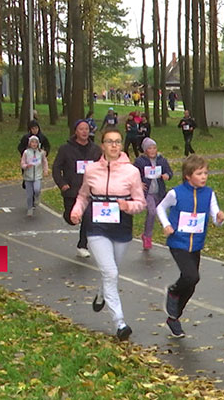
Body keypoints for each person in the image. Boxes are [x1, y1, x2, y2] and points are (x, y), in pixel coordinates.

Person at [70, 128, 146, 341]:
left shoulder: (132, 172)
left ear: (121, 145)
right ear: (102, 145)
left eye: (118, 142)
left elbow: (141, 202)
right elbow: (83, 196)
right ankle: (120, 322)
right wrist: (76, 212)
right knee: (110, 272)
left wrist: (127, 206)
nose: (114, 145)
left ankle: (102, 293)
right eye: (109, 142)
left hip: (121, 227)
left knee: (112, 271)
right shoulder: (92, 170)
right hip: (97, 228)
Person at [156, 154, 224, 338]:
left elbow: (215, 216)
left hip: (196, 244)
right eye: (199, 173)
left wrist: (219, 218)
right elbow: (160, 208)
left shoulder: (209, 194)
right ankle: (172, 292)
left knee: (192, 282)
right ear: (188, 175)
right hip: (178, 241)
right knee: (190, 275)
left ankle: (174, 317)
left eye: (206, 173)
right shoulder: (176, 193)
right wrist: (166, 225)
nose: (204, 176)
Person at [52, 120, 103, 258]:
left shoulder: (95, 150)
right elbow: (56, 167)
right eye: (81, 129)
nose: (85, 131)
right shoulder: (65, 149)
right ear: (76, 131)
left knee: (88, 217)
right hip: (71, 190)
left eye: (87, 129)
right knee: (71, 218)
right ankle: (68, 215)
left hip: (89, 191)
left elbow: (103, 167)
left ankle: (82, 245)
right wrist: (62, 184)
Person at [134, 138, 173, 250]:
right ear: (145, 150)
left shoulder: (161, 160)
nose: (152, 150)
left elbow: (169, 172)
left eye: (154, 148)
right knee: (152, 212)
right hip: (148, 193)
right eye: (149, 148)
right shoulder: (140, 161)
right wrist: (138, 183)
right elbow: (133, 174)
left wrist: (167, 175)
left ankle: (171, 233)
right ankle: (147, 236)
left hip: (159, 192)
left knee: (166, 212)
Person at [20, 135, 49, 217]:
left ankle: (37, 197)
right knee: (29, 195)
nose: (34, 144)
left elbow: (44, 162)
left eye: (36, 142)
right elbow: (22, 163)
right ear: (29, 143)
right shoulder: (26, 152)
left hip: (38, 175)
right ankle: (30, 209)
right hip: (28, 176)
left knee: (37, 189)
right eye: (32, 142)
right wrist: (26, 166)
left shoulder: (41, 153)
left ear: (38, 144)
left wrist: (45, 170)